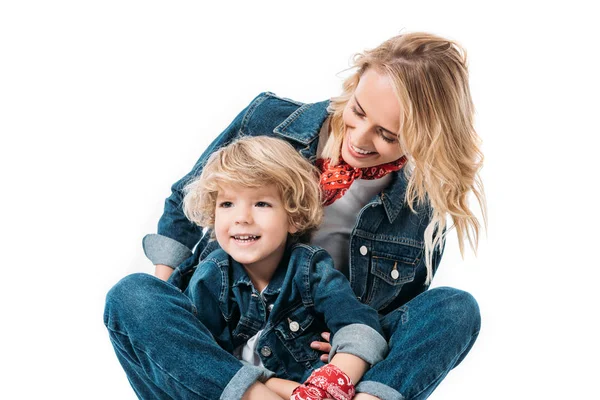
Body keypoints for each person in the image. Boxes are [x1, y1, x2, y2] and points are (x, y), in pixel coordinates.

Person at [105, 31, 486, 400]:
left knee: (454, 308)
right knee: (134, 296)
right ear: (353, 85)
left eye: (387, 135)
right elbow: (187, 201)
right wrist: (171, 308)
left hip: (321, 360)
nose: (360, 138)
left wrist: (347, 354)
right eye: (357, 110)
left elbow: (396, 314)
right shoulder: (268, 120)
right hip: (217, 361)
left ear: (424, 137)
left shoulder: (420, 199)